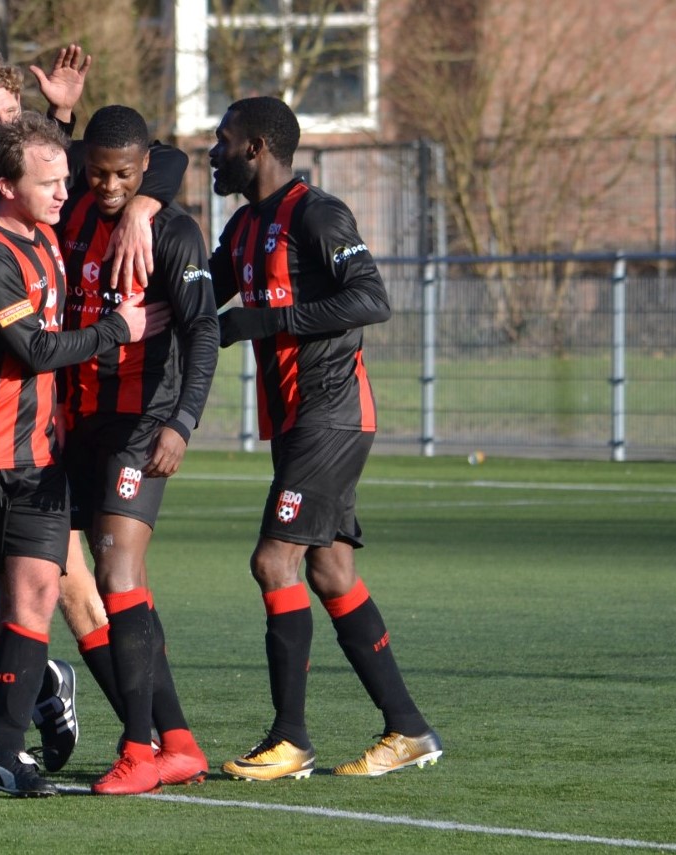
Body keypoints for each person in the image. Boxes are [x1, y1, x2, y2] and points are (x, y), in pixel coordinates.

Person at [0, 112, 164, 797]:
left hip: (39, 460)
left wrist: (144, 203)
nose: (65, 193)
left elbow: (162, 159)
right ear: (4, 185)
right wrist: (120, 328)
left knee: (32, 593)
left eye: (65, 179)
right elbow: (31, 349)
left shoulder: (45, 236)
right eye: (50, 181)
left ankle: (2, 748)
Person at [207, 96, 442, 780]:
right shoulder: (243, 225)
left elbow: (370, 298)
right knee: (330, 570)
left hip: (331, 410)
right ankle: (408, 729)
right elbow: (200, 298)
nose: (214, 153)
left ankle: (289, 738)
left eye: (222, 141)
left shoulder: (317, 213)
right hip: (293, 418)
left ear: (254, 146)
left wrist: (268, 319)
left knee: (271, 562)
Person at [55, 106, 220, 794]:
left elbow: (203, 334)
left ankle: (137, 749)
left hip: (140, 427)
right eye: (97, 171)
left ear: (144, 168)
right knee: (71, 579)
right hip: (75, 424)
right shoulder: (71, 217)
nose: (109, 184)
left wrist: (181, 422)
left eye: (123, 173)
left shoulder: (175, 233)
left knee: (117, 571)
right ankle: (176, 741)